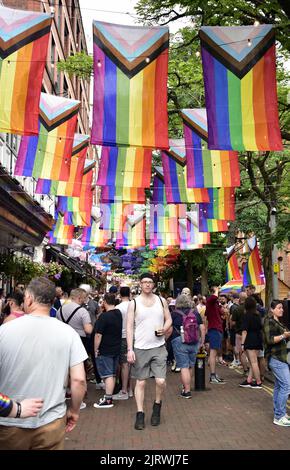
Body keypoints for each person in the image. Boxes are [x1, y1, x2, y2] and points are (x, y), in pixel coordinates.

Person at [0, 277, 87, 450]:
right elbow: (79, 380)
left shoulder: (4, 331)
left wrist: (14, 409)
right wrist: (75, 411)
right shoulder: (68, 334)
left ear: (29, 298)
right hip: (51, 422)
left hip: (9, 424)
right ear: (52, 301)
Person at [127, 273, 172, 430]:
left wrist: (164, 328)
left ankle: (157, 405)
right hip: (140, 348)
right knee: (141, 382)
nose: (147, 284)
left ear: (154, 285)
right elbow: (129, 327)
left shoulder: (161, 301)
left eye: (150, 282)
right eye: (144, 282)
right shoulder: (134, 303)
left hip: (158, 347)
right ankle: (140, 414)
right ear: (140, 284)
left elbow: (169, 319)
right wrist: (129, 349)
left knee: (160, 381)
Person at [170, 295, 205, 398]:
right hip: (194, 342)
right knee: (190, 365)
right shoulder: (195, 313)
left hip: (179, 341)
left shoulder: (174, 314)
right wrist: (201, 342)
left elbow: (169, 329)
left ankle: (187, 391)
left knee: (183, 366)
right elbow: (202, 328)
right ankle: (186, 385)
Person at [263, 300, 290, 426]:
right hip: (276, 358)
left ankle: (279, 413)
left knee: (279, 386)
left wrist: (286, 335)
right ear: (272, 309)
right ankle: (279, 416)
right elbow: (269, 339)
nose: (282, 310)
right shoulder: (269, 321)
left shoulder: (277, 322)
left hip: (281, 358)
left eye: (282, 308)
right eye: (279, 308)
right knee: (286, 386)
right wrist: (284, 336)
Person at [93, 294, 122, 408]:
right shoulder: (118, 314)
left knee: (107, 374)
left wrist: (96, 349)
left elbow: (98, 335)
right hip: (116, 347)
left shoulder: (103, 317)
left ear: (104, 302)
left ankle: (108, 399)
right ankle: (110, 395)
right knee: (113, 373)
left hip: (105, 348)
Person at [113, 286, 133, 400]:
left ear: (120, 294)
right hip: (133, 337)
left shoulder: (118, 307)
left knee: (124, 364)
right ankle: (131, 389)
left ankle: (124, 389)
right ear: (129, 294)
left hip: (122, 337)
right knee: (133, 364)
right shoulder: (134, 305)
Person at [239, 297, 263, 389]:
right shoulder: (258, 315)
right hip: (258, 338)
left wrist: (242, 344)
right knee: (254, 362)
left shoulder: (246, 316)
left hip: (250, 339)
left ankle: (258, 382)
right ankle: (249, 380)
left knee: (253, 362)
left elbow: (244, 331)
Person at [205, 286, 225, 384]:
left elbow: (221, 313)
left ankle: (214, 374)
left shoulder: (215, 303)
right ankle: (212, 376)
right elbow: (213, 298)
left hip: (217, 329)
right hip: (214, 330)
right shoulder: (210, 300)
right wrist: (217, 290)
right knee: (213, 353)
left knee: (215, 353)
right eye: (218, 292)